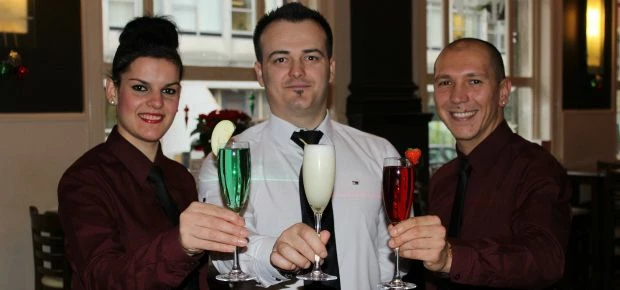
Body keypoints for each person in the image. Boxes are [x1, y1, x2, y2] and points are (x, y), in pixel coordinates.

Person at [198, 3, 401, 289]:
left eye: (311, 57)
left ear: (330, 69)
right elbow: (221, 253)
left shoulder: (382, 155)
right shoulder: (227, 160)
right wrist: (273, 253)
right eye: (281, 59)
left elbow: (393, 252)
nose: (297, 71)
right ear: (259, 72)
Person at [57, 16, 249, 290]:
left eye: (168, 91)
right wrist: (180, 244)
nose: (156, 102)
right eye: (140, 88)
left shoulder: (180, 178)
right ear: (113, 90)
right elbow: (100, 278)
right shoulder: (84, 181)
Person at [388, 38, 571, 289]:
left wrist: (451, 258)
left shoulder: (537, 169)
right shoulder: (442, 179)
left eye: (474, 81)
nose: (458, 97)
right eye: (445, 82)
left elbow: (545, 260)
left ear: (503, 92)